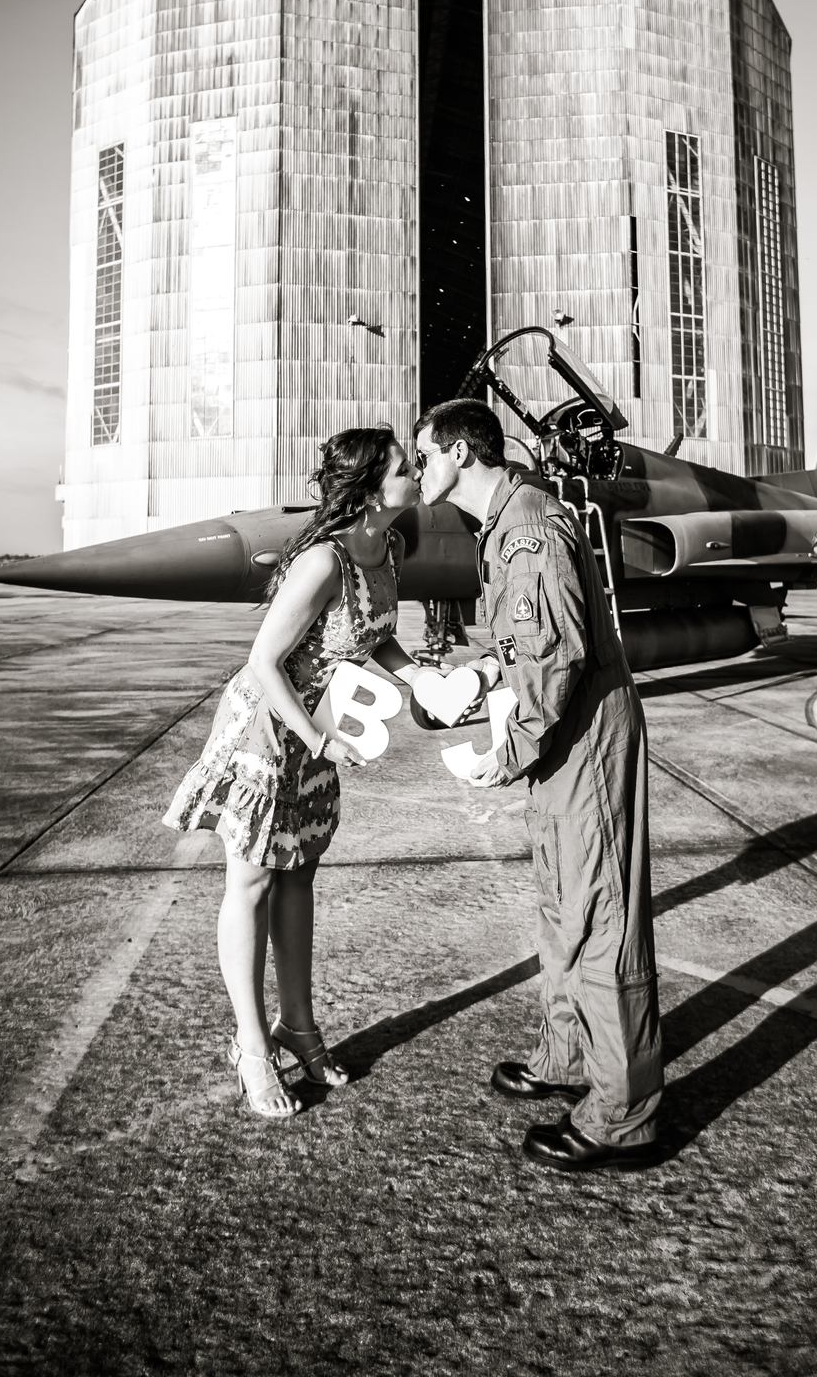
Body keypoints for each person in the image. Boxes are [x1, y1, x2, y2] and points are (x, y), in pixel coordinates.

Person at [414, 397, 663, 1171]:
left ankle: (624, 1115)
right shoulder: (506, 526)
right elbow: (526, 643)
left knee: (601, 918)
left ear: (459, 452)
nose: (419, 469)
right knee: (563, 907)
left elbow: (556, 656)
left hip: (581, 739)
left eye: (423, 454)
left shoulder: (527, 527)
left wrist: (508, 749)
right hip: (561, 738)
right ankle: (565, 1056)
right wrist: (482, 672)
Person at [163, 426, 423, 1120]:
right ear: (372, 489)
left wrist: (419, 674)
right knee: (250, 880)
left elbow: (374, 633)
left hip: (321, 729)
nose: (417, 472)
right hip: (268, 729)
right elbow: (262, 661)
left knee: (300, 871)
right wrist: (315, 739)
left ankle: (298, 1027)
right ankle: (251, 1046)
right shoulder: (323, 562)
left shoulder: (387, 548)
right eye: (406, 466)